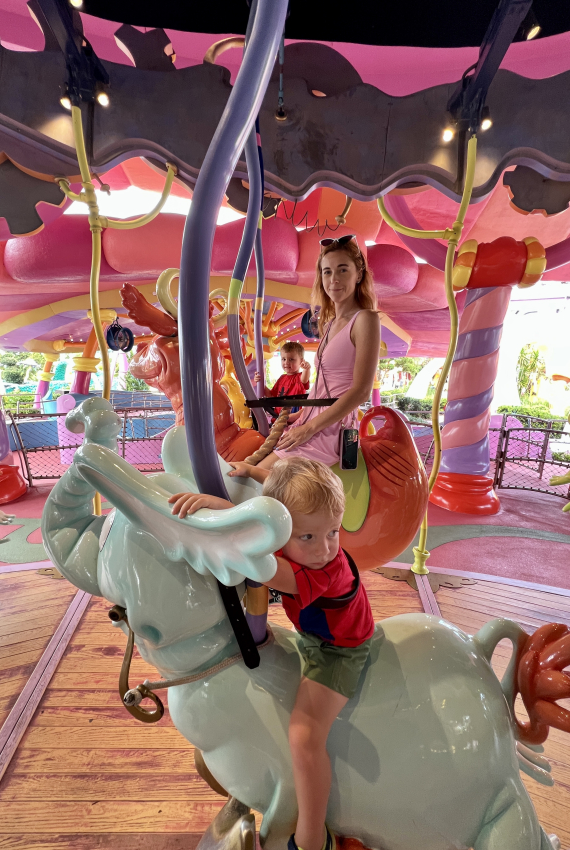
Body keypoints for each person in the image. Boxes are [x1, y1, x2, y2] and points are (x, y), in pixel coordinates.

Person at [168, 457, 375, 850]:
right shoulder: (298, 540)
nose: (326, 548)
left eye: (333, 532)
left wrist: (215, 514)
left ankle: (313, 838)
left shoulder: (327, 571)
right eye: (309, 537)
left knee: (303, 735)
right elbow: (267, 525)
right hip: (311, 638)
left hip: (339, 652)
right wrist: (254, 477)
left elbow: (261, 562)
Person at [256, 234, 380, 469]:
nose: (334, 279)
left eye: (343, 270)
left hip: (331, 429)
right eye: (327, 271)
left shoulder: (365, 319)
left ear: (359, 274)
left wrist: (308, 429)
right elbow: (320, 387)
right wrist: (300, 418)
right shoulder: (330, 323)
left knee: (257, 475)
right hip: (313, 422)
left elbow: (361, 391)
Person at [254, 341, 311, 416]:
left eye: (291, 359)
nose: (286, 362)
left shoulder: (300, 377)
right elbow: (271, 395)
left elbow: (304, 380)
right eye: (283, 359)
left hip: (292, 417)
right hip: (277, 416)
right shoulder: (282, 378)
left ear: (301, 361)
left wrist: (306, 369)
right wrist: (260, 383)